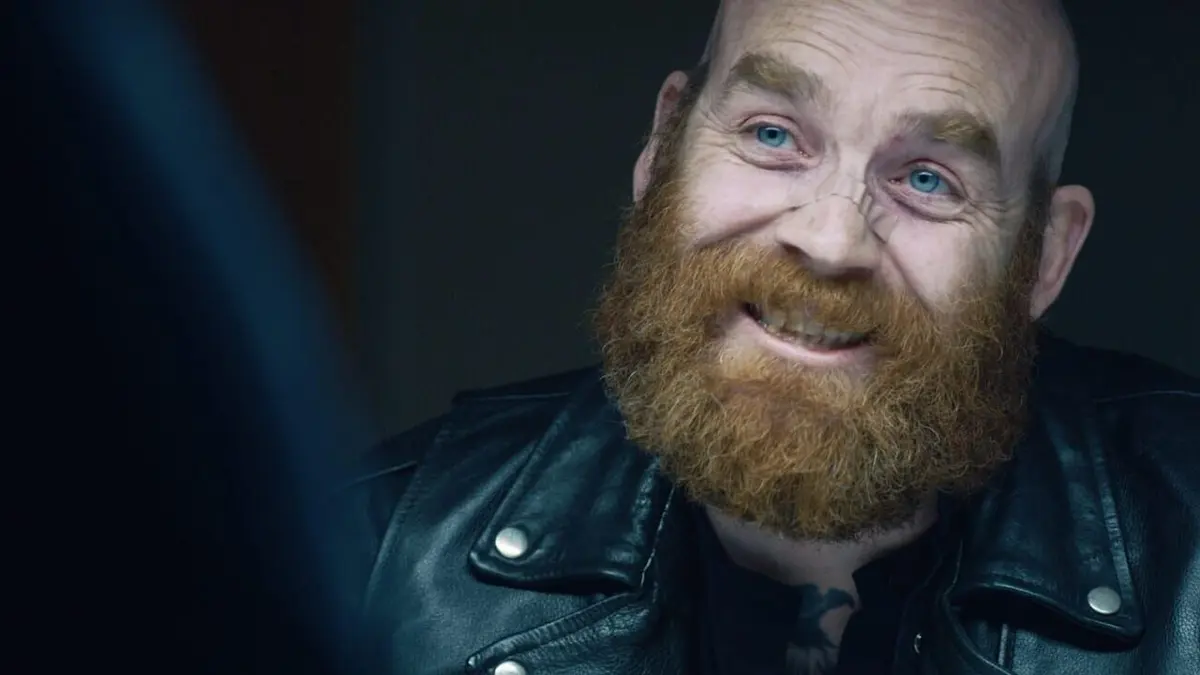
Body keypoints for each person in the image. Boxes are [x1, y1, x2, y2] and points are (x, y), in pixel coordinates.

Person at [350, 0, 1200, 673]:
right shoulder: (371, 557)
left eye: (928, 178)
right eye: (772, 135)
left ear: (1044, 255)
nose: (830, 241)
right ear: (663, 147)